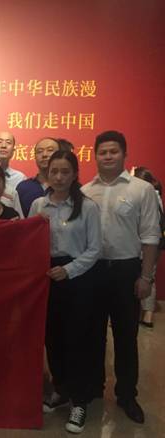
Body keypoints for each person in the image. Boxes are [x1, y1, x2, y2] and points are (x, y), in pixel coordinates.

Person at [82, 131, 160, 424]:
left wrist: (146, 277)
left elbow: (151, 236)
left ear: (124, 154)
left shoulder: (142, 189)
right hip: (92, 271)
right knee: (93, 333)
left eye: (113, 151)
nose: (108, 156)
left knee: (126, 336)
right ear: (95, 155)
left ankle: (127, 394)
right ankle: (93, 387)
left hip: (126, 271)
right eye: (102, 152)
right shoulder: (85, 191)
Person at [29, 150, 101, 434]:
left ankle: (80, 401)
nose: (58, 177)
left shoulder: (88, 207)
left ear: (75, 175)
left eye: (65, 172)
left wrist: (69, 270)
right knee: (52, 338)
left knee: (77, 341)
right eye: (54, 172)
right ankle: (61, 390)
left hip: (77, 280)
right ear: (47, 174)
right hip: (46, 277)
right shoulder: (38, 204)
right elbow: (27, 239)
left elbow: (94, 249)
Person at [132, 166, 163, 328]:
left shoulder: (146, 196)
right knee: (149, 277)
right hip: (155, 245)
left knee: (142, 278)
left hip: (144, 245)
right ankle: (147, 315)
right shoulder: (156, 196)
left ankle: (141, 314)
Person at [16, 137, 60, 217]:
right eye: (39, 151)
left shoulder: (67, 187)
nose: (44, 155)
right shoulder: (23, 187)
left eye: (50, 150)